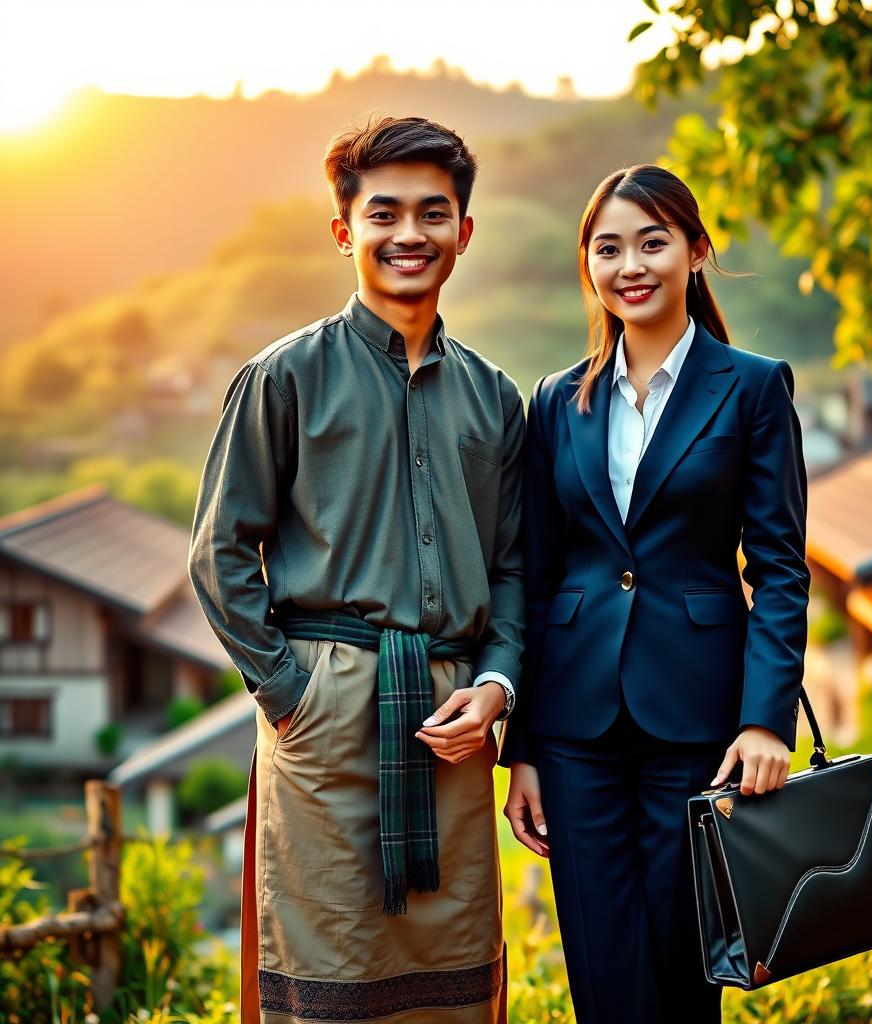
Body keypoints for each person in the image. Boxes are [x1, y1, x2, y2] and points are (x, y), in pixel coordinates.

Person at [188, 115, 525, 1024]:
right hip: (325, 716)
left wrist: (495, 687)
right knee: (323, 975)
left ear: (464, 230)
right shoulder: (284, 377)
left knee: (453, 982)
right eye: (384, 214)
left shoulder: (495, 398)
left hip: (454, 717)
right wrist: (290, 693)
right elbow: (221, 552)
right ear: (346, 231)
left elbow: (516, 567)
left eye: (433, 212)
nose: (408, 234)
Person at [499, 164, 811, 1024]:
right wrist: (521, 746)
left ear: (696, 251)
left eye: (652, 241)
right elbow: (538, 573)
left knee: (684, 963)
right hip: (574, 728)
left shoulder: (751, 386)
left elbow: (780, 566)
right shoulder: (558, 400)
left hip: (699, 722)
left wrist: (763, 720)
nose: (630, 265)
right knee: (602, 966)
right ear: (588, 267)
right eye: (608, 249)